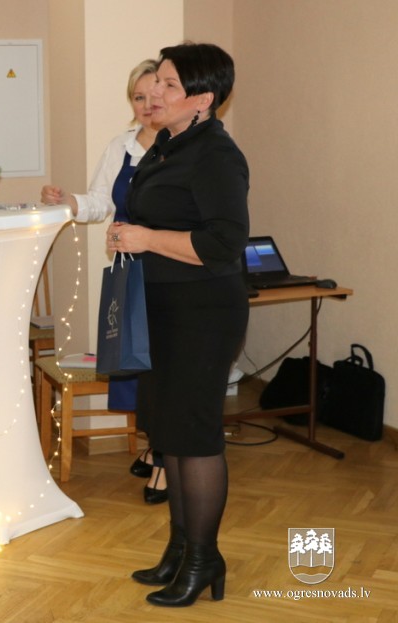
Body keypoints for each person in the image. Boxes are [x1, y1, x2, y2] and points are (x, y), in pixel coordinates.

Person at [106, 43, 249, 607]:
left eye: (169, 85)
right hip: (160, 307)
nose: (156, 94)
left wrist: (144, 237)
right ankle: (180, 549)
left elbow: (223, 242)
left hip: (202, 312)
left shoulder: (216, 155)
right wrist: (127, 234)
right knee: (169, 435)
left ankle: (204, 558)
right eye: (157, 82)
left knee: (195, 435)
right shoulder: (165, 146)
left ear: (203, 99)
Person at [40, 59, 167, 504]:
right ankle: (155, 444)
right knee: (137, 364)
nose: (147, 104)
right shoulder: (122, 146)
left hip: (170, 270)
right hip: (130, 273)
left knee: (165, 366)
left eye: (154, 95)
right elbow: (99, 201)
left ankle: (165, 460)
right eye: (138, 97)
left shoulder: (183, 146)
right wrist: (68, 201)